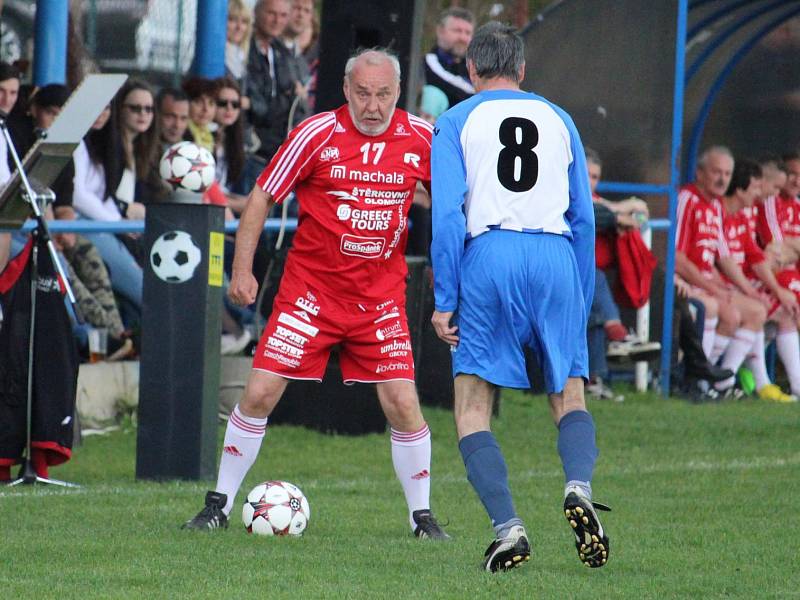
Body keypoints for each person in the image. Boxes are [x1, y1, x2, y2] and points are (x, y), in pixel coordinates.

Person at [183, 49, 449, 541]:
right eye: (363, 94)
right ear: (346, 91)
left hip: (380, 300)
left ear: (399, 93)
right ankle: (217, 504)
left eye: (384, 95)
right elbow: (263, 194)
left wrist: (452, 276)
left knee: (402, 404)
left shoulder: (422, 138)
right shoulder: (316, 134)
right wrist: (242, 269)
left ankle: (423, 519)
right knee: (259, 393)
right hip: (310, 295)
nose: (373, 106)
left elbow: (456, 205)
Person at [430, 22, 608, 571]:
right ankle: (578, 488)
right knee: (569, 394)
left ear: (471, 69)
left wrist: (444, 296)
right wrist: (579, 296)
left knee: (473, 404)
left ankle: (509, 529)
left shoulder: (455, 120)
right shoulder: (559, 119)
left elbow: (445, 217)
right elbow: (583, 216)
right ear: (524, 71)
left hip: (491, 255)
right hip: (555, 255)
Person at [675, 147, 768, 388]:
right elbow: (676, 257)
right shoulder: (688, 198)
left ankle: (715, 382)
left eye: (727, 173)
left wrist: (727, 288)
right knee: (716, 308)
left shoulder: (715, 205)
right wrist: (712, 288)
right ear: (699, 173)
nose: (722, 179)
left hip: (703, 282)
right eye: (716, 172)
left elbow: (717, 258)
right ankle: (695, 382)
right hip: (681, 281)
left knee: (754, 311)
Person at [720, 158, 798, 401]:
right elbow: (773, 249)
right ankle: (730, 380)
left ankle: (747, 378)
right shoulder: (721, 210)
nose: (769, 194)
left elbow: (756, 254)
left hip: (744, 281)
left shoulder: (747, 212)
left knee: (777, 308)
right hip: (729, 283)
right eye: (769, 188)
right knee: (769, 308)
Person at [245, 0, 310, 188]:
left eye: (282, 15)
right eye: (271, 14)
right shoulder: (247, 48)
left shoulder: (282, 52)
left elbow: (297, 102)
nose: (277, 21)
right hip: (252, 152)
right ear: (257, 13)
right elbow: (259, 104)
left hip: (276, 153)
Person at [424, 7, 475, 108]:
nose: (463, 38)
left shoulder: (473, 66)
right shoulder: (429, 61)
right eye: (457, 31)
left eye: (468, 33)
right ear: (440, 31)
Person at [182, 77, 218, 154]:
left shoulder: (211, 135)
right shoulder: (180, 134)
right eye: (198, 102)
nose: (206, 109)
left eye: (211, 103)